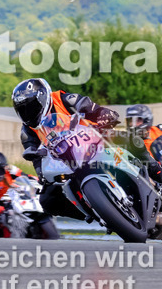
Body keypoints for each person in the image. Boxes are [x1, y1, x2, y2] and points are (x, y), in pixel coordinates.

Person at [12, 78, 120, 221]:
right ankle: (95, 213)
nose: (28, 112)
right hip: (67, 162)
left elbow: (90, 107)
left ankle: (157, 173)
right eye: (23, 110)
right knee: (47, 200)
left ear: (43, 98)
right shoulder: (28, 132)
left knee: (128, 139)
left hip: (94, 141)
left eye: (31, 106)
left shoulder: (65, 100)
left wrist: (103, 114)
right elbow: (35, 157)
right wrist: (41, 173)